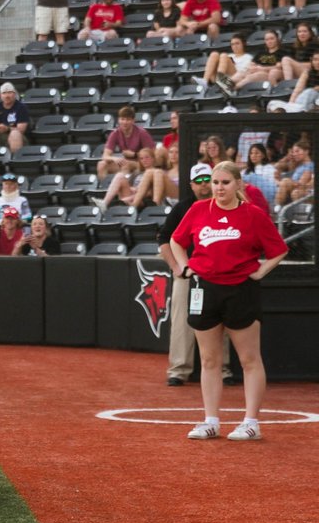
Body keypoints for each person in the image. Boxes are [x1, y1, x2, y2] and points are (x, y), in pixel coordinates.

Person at [170, 162, 288, 441]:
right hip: (204, 289)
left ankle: (251, 422)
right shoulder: (198, 210)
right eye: (215, 183)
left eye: (224, 182)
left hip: (240, 291)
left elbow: (279, 250)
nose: (219, 188)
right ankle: (211, 421)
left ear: (238, 184)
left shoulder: (253, 214)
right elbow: (177, 241)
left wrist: (259, 271)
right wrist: (185, 267)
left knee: (249, 359)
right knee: (209, 359)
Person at [97, 106, 156, 178]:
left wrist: (134, 154)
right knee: (102, 164)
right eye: (122, 119)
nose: (125, 122)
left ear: (133, 121)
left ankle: (123, 186)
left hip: (140, 163)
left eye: (128, 120)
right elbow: (105, 156)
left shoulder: (142, 133)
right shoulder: (115, 133)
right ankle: (102, 186)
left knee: (125, 164)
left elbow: (152, 154)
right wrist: (115, 158)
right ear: (118, 120)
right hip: (125, 161)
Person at [0, 82, 29, 152]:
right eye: (4, 93)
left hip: (19, 137)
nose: (7, 96)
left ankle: (15, 161)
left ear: (14, 94)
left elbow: (21, 129)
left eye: (9, 92)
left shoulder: (21, 107)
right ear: (0, 95)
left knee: (14, 133)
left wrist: (7, 129)